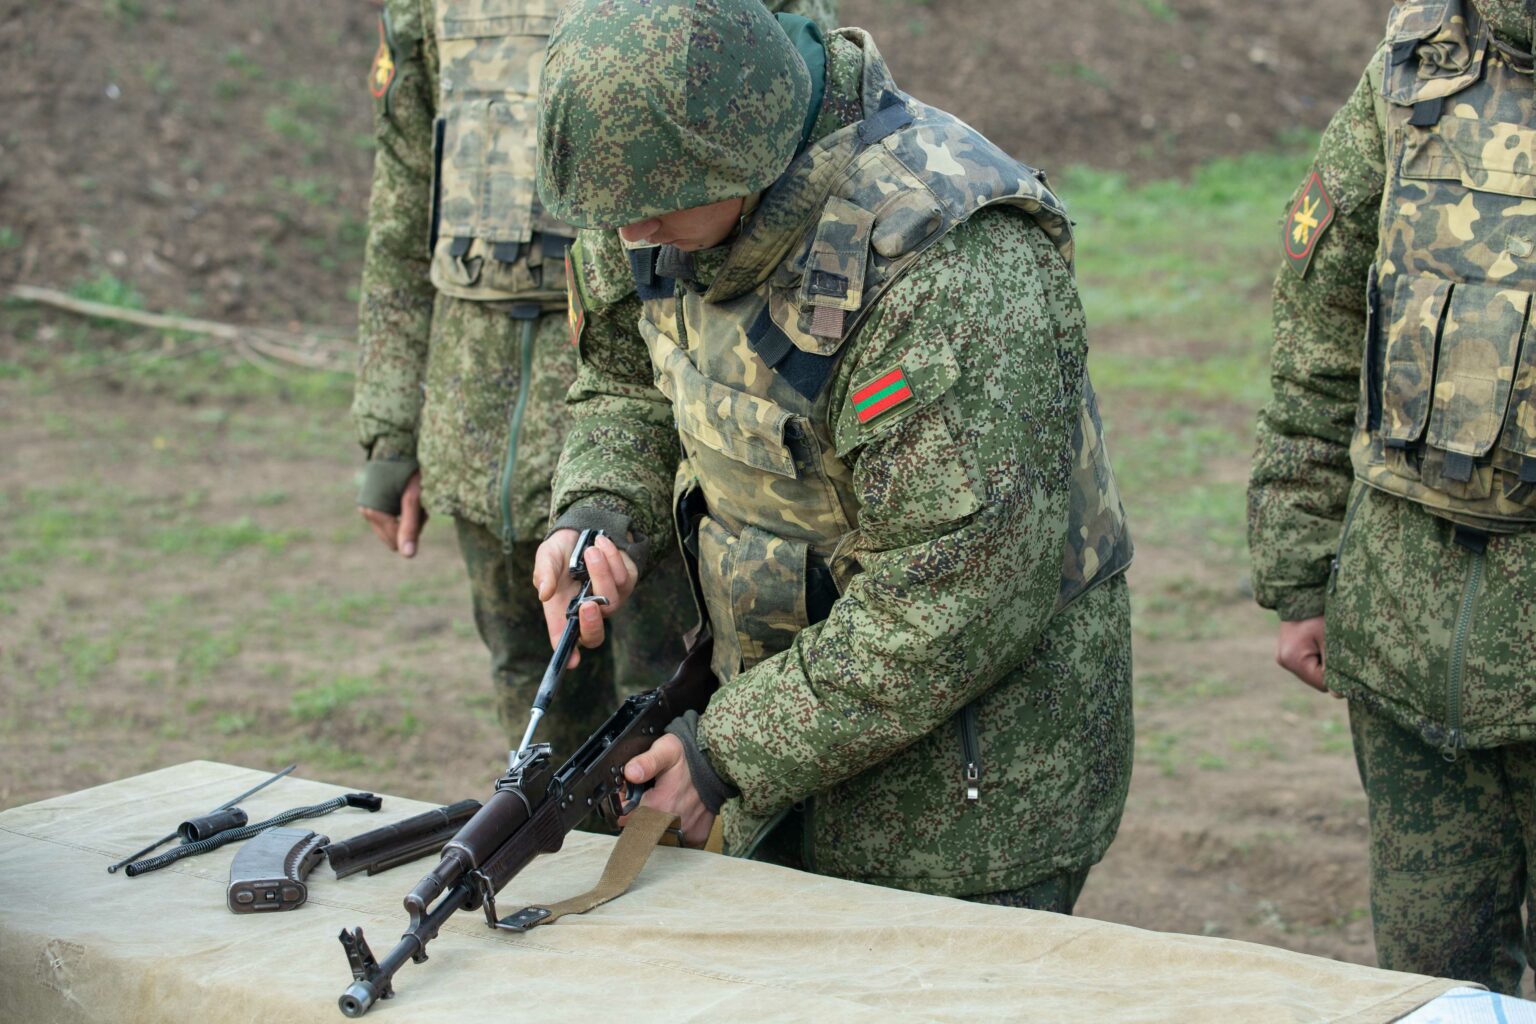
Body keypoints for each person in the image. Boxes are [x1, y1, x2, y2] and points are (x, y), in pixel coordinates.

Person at [531, 0, 1135, 909]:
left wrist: (727, 751)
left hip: (964, 802)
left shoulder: (944, 265)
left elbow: (962, 592)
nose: (629, 239)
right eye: (615, 217)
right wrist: (600, 514)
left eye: (652, 214)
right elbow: (624, 376)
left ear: (747, 155)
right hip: (773, 738)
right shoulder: (656, 182)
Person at [349, 0, 832, 756]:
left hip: (667, 412)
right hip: (480, 430)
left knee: (670, 694)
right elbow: (405, 199)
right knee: (535, 695)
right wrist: (387, 422)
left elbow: (794, 147)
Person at [1249, 0, 1536, 992]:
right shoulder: (1417, 63)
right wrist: (1299, 570)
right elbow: (1322, 323)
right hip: (1407, 653)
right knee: (1434, 995)